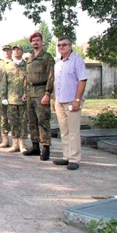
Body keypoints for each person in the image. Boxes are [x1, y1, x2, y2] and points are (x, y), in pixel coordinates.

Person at [52, 37, 88, 170]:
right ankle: (66, 156)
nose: (61, 47)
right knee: (64, 130)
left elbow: (82, 80)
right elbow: (56, 83)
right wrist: (54, 99)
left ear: (70, 46)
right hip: (60, 101)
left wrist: (77, 99)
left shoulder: (77, 60)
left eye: (64, 45)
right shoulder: (58, 63)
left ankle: (74, 159)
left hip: (72, 101)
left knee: (73, 131)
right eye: (59, 45)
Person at [23, 32, 54, 160]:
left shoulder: (47, 57)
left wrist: (47, 93)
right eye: (33, 41)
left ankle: (45, 147)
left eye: (37, 40)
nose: (35, 42)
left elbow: (51, 76)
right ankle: (35, 146)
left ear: (42, 42)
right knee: (32, 121)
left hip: (41, 91)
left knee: (43, 120)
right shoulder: (29, 58)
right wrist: (25, 92)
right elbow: (27, 76)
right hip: (30, 92)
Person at [0, 45, 28, 152]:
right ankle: (15, 143)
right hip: (11, 99)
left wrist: (27, 93)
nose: (16, 51)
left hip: (23, 99)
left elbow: (29, 82)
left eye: (18, 49)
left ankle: (22, 144)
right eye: (14, 50)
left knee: (23, 122)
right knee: (13, 122)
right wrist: (3, 96)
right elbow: (3, 83)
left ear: (22, 51)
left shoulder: (27, 65)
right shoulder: (8, 66)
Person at [0, 45, 13, 147]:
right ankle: (5, 139)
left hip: (14, 96)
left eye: (8, 50)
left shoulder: (16, 63)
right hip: (1, 95)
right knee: (3, 119)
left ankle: (17, 141)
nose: (6, 52)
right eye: (4, 51)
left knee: (15, 119)